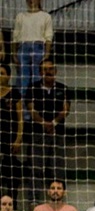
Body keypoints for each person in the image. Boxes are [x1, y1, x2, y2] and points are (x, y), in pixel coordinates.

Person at [24, 58, 68, 194]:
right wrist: (44, 123)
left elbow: (65, 109)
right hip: (38, 133)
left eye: (50, 69)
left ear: (55, 71)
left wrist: (53, 123)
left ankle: (57, 198)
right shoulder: (32, 87)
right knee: (36, 168)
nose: (47, 72)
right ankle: (34, 199)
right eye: (44, 69)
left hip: (57, 132)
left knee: (57, 168)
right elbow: (31, 109)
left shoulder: (63, 88)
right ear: (40, 72)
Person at [12, 0, 52, 95]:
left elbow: (48, 37)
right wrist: (14, 54)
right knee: (23, 78)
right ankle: (23, 107)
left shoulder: (46, 16)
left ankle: (36, 105)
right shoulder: (20, 16)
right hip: (23, 48)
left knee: (37, 78)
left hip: (38, 48)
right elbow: (15, 37)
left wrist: (47, 54)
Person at [0, 65, 24, 202]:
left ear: (8, 76)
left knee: (12, 173)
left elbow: (20, 118)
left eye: (2, 73)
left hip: (10, 139)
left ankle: (11, 204)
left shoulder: (14, 93)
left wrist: (18, 139)